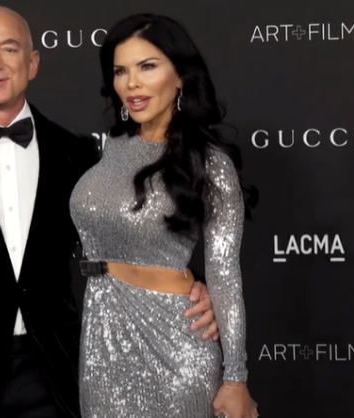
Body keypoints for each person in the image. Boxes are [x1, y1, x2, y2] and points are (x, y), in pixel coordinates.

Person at [0, 7, 220, 418]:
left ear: (33, 63)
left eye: (9, 49)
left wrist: (191, 285)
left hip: (58, 371)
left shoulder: (77, 154)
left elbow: (127, 239)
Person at [69, 13, 260, 418]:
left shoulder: (211, 164)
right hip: (101, 345)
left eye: (147, 66)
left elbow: (225, 274)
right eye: (121, 71)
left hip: (177, 347)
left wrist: (235, 379)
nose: (131, 84)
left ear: (181, 77)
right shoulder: (109, 150)